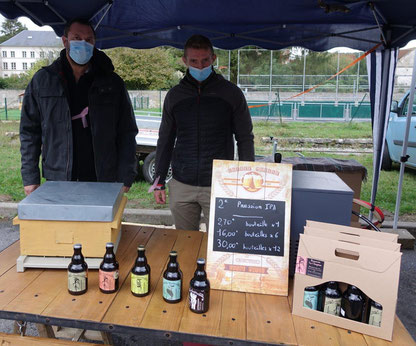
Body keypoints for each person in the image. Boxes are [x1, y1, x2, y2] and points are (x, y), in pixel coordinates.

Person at [20, 18, 138, 195]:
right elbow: (29, 132)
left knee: (100, 222)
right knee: (62, 222)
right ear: (65, 40)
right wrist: (30, 177)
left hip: (102, 177)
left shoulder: (112, 83)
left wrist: (126, 174)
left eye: (89, 39)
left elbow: (127, 131)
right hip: (59, 177)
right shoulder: (43, 80)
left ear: (94, 43)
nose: (83, 44)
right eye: (76, 38)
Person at [153, 34, 254, 231]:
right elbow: (165, 140)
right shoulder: (174, 96)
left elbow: (245, 137)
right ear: (184, 61)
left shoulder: (231, 94)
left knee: (221, 244)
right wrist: (158, 180)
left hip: (220, 184)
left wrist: (246, 178)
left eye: (205, 60)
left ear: (213, 59)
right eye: (194, 61)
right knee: (184, 245)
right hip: (182, 183)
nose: (200, 66)